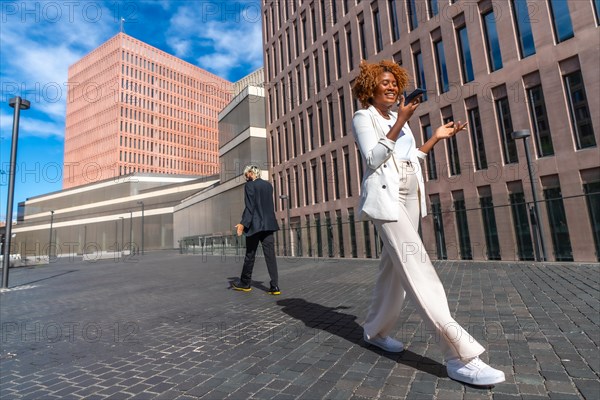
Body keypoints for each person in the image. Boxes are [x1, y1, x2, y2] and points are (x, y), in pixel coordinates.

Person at [351, 60, 505, 386]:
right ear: (370, 88)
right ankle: (459, 356)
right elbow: (373, 159)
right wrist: (401, 122)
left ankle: (375, 331)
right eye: (385, 83)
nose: (393, 87)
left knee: (392, 269)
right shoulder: (364, 117)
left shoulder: (399, 119)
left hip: (409, 193)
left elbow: (409, 159)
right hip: (387, 199)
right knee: (417, 267)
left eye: (396, 83)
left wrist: (435, 138)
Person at [232, 165, 281, 295]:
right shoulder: (268, 186)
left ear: (251, 173)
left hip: (255, 225)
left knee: (250, 255)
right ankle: (275, 286)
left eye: (246, 175)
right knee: (270, 256)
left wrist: (243, 224)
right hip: (269, 225)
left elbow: (250, 207)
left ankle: (245, 283)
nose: (245, 177)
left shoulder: (249, 186)